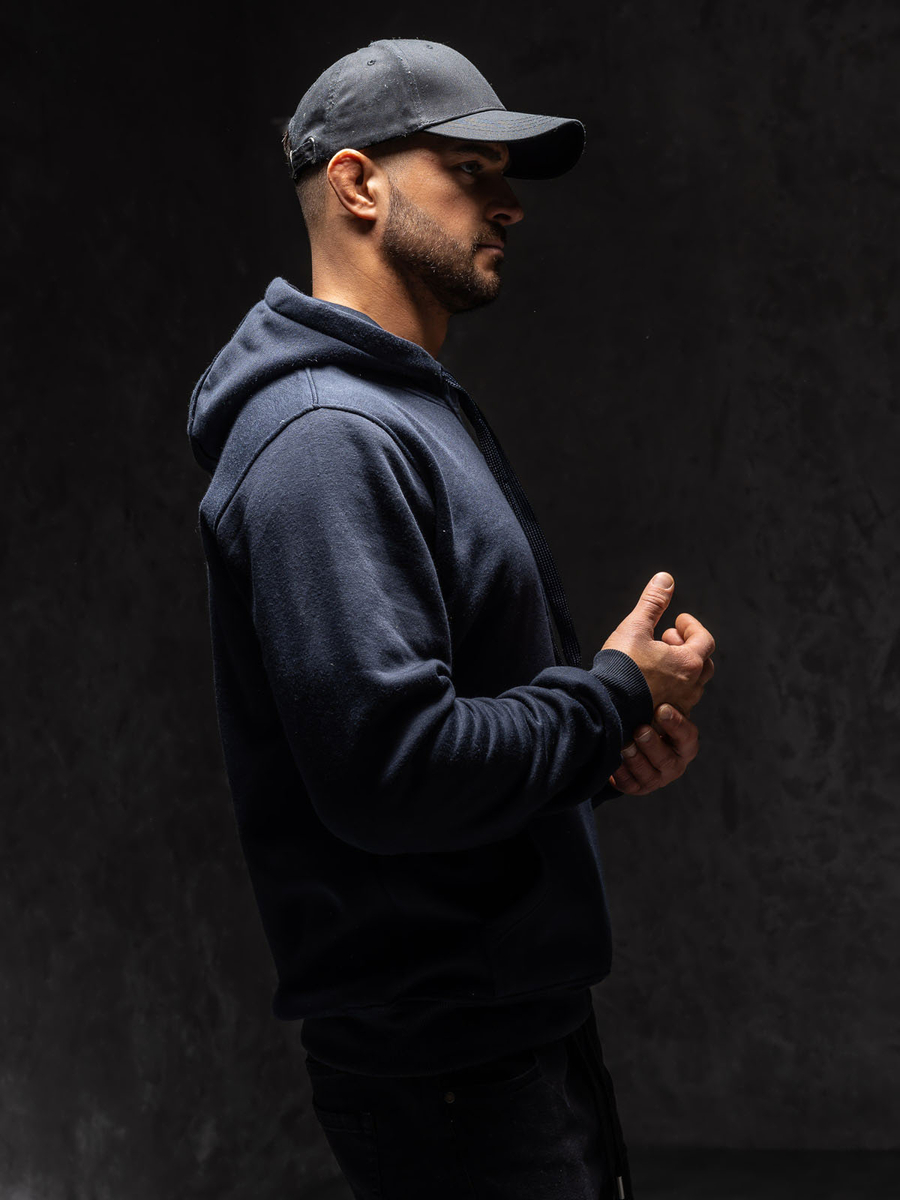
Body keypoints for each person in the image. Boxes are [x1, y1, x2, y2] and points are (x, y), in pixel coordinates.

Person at [187, 37, 715, 1200]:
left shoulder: (403, 410)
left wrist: (603, 747)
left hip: (515, 1041)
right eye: (470, 171)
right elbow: (394, 773)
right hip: (449, 1076)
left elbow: (456, 736)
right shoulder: (325, 440)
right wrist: (610, 694)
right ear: (358, 184)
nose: (508, 205)